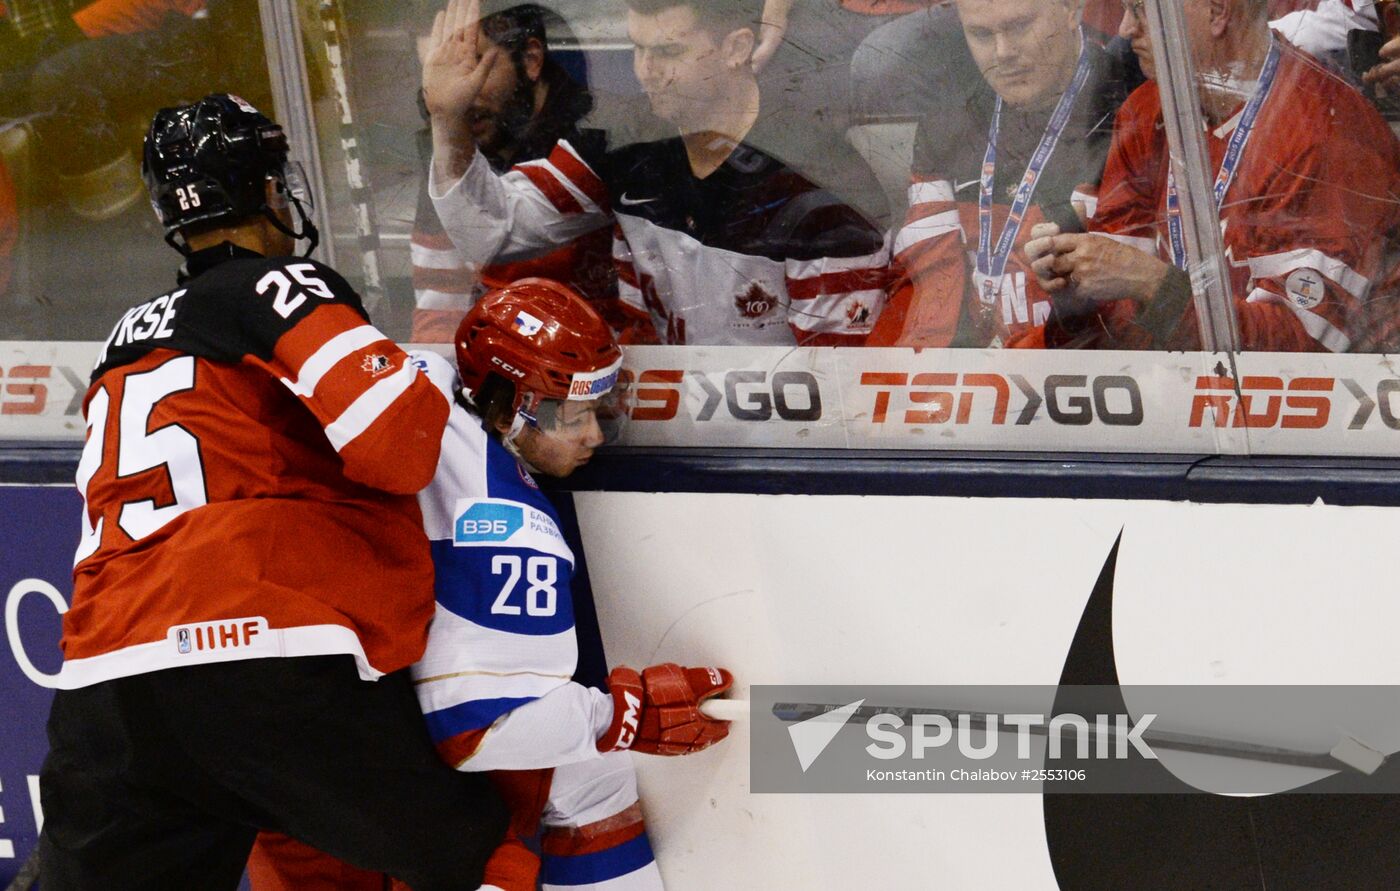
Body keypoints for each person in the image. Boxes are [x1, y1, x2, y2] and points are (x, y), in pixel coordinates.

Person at [38, 94, 507, 890]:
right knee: (472, 847)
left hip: (102, 687)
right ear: (264, 189)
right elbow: (398, 443)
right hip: (254, 666)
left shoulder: (120, 341)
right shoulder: (278, 286)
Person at [248, 278, 736, 891]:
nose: (595, 436)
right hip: (340, 787)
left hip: (257, 724)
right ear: (508, 407)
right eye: (571, 414)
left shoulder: (416, 376)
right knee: (538, 812)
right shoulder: (503, 518)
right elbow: (480, 731)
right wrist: (624, 714)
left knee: (588, 778)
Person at [425, 0, 888, 346]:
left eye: (668, 51)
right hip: (671, 417)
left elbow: (836, 379)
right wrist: (449, 122)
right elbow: (493, 234)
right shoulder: (622, 142)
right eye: (638, 49)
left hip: (783, 439)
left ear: (736, 49)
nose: (646, 72)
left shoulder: (818, 180)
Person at [1022, 0, 1400, 351]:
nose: (1124, 30)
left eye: (1142, 10)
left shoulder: (1327, 133)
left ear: (1218, 12)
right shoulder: (1145, 110)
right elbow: (1118, 329)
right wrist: (1076, 295)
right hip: (1184, 398)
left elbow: (1300, 356)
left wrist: (1155, 286)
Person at [866, 0, 1138, 348]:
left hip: (1082, 365)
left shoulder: (1128, 106)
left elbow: (1120, 311)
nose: (1003, 52)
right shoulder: (947, 123)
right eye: (981, 34)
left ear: (1072, 9)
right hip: (983, 374)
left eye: (1020, 26)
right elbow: (925, 290)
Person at [409, 2, 616, 343]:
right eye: (433, 75)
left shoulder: (600, 138)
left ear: (532, 60)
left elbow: (493, 232)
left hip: (603, 367)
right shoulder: (451, 137)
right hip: (508, 365)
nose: (452, 90)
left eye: (469, 66)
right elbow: (440, 308)